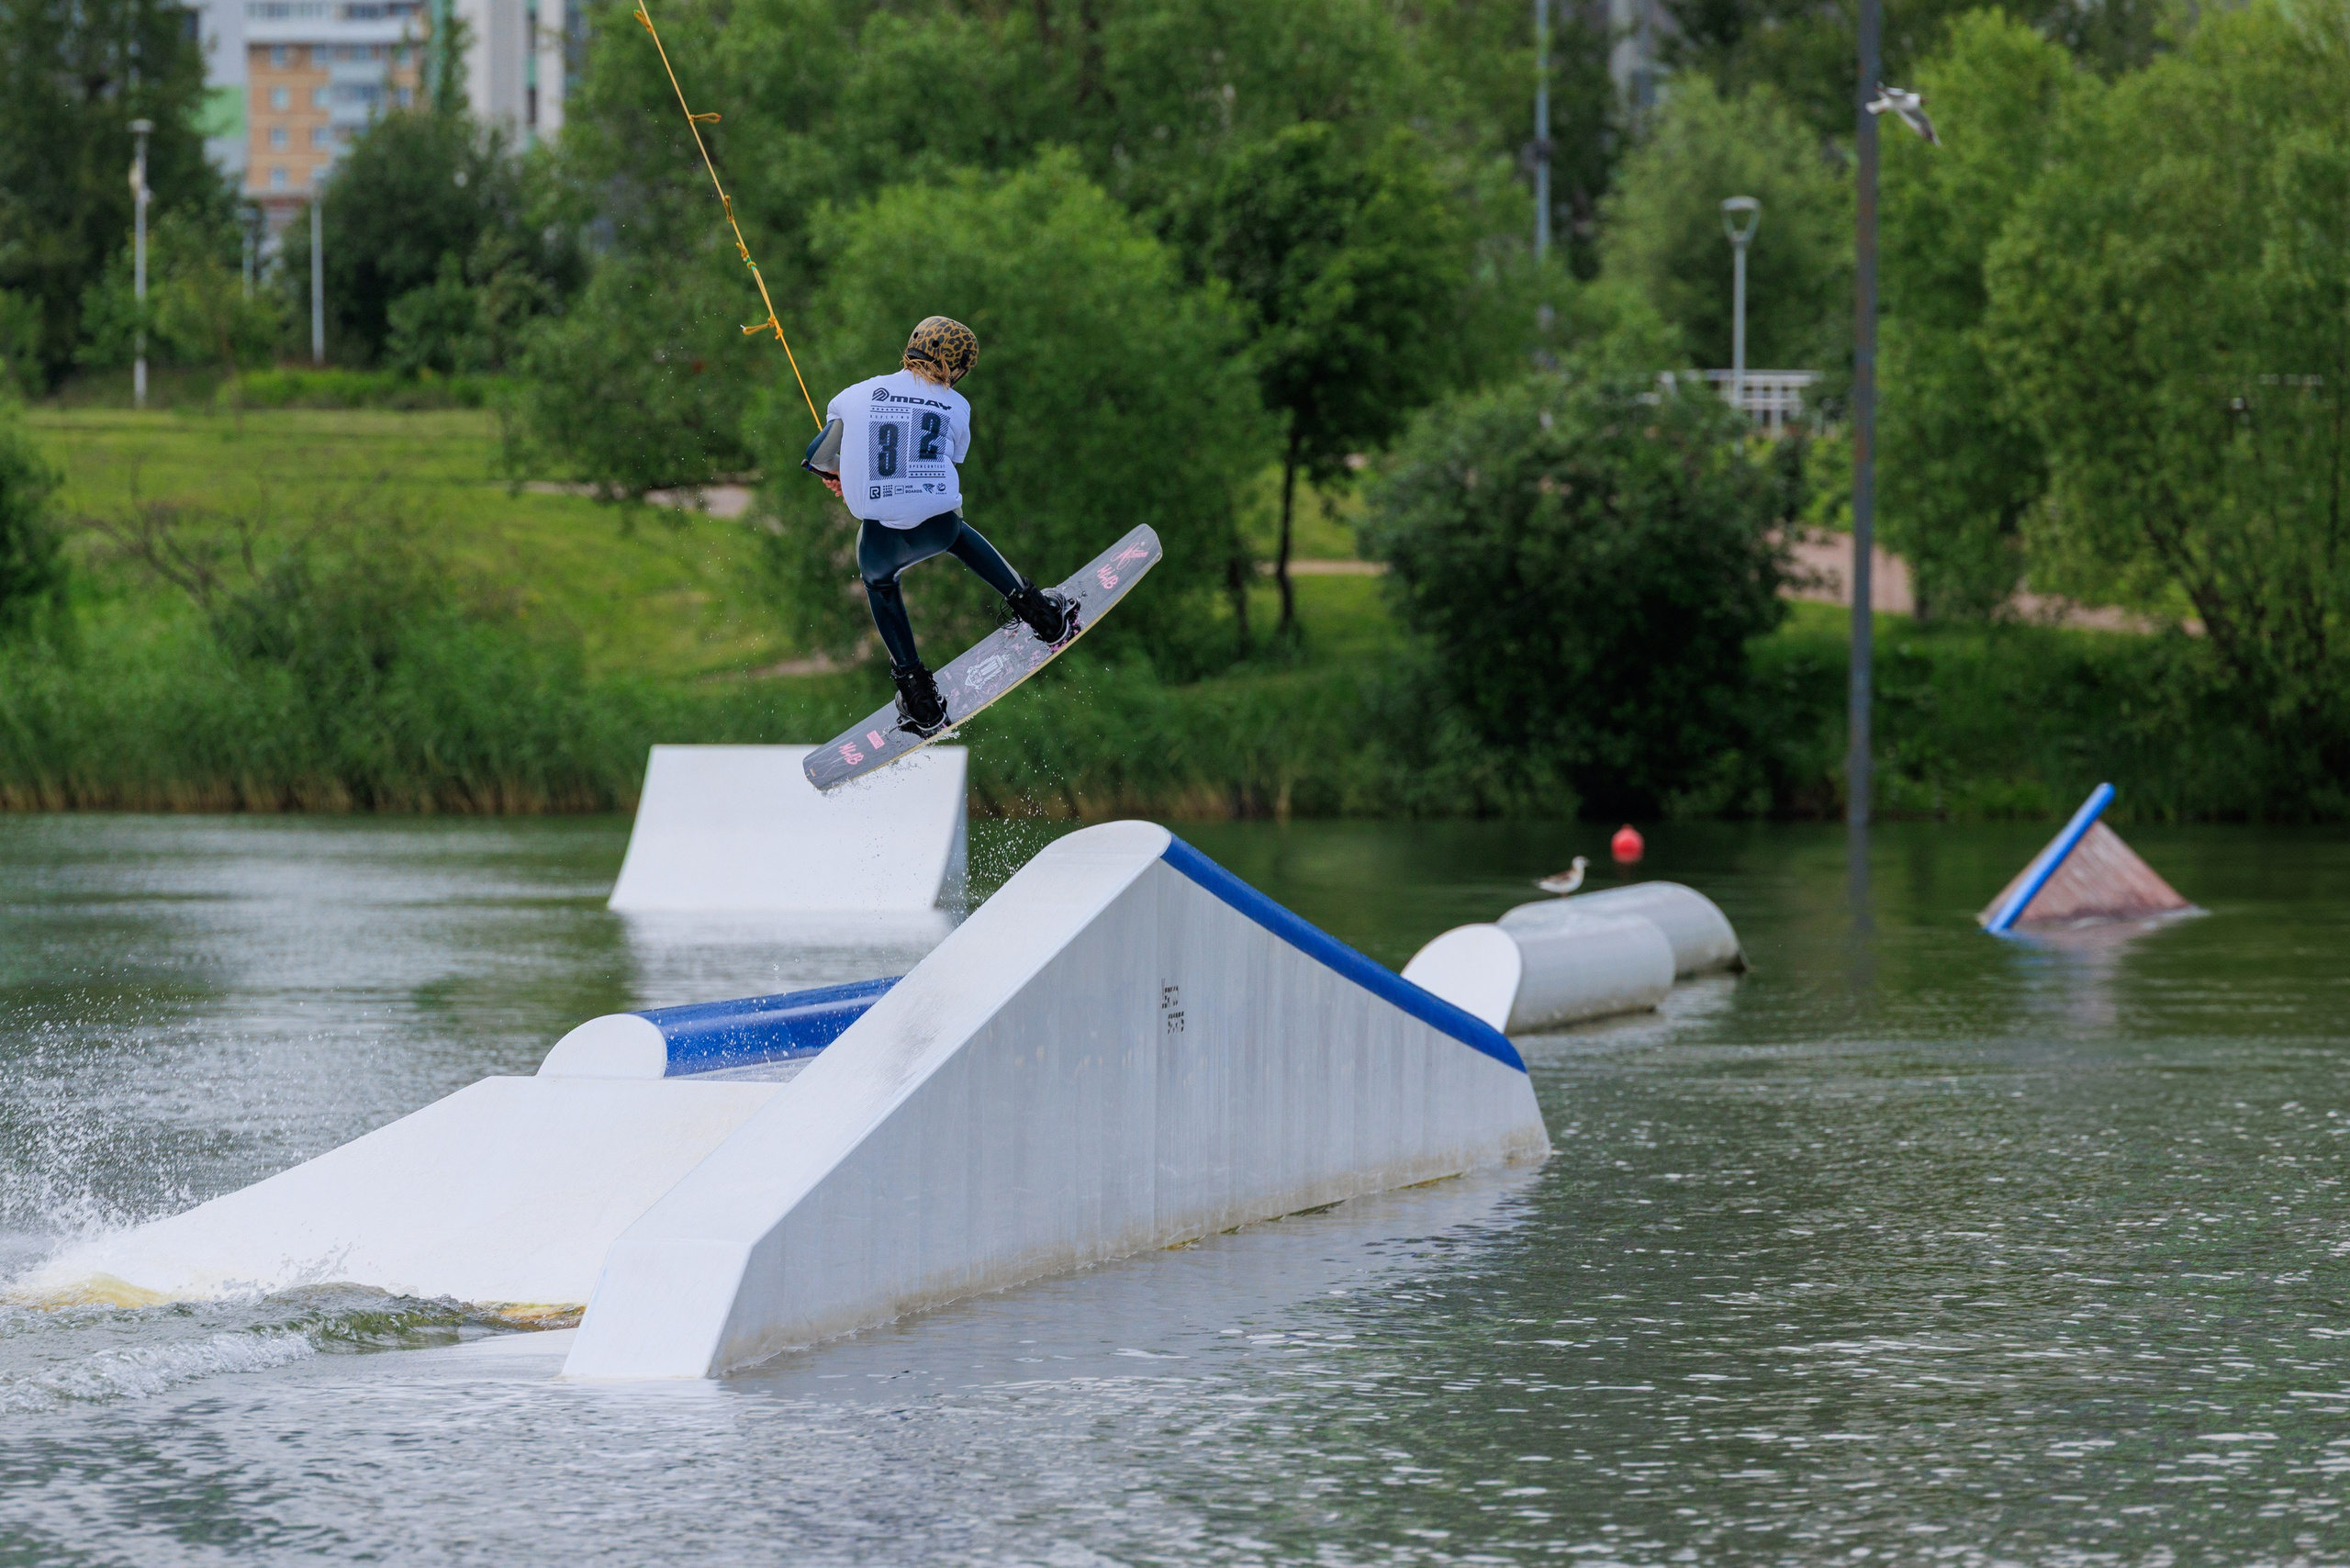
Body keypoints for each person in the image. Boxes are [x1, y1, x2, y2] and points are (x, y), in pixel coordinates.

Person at [802, 316, 1075, 736]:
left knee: (879, 582)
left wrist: (838, 472)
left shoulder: (855, 394)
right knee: (959, 536)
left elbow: (816, 455)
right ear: (956, 368)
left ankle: (918, 695)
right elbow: (934, 456)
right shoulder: (957, 405)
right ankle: (1039, 612)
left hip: (882, 538)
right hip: (938, 525)